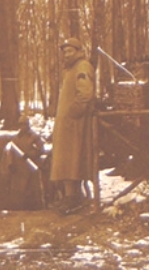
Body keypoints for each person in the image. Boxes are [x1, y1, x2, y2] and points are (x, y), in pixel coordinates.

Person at [50, 37, 95, 214]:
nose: (67, 54)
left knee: (73, 161)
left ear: (78, 51)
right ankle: (70, 197)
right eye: (65, 51)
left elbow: (85, 93)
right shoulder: (71, 69)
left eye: (70, 51)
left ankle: (74, 198)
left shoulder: (82, 67)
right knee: (66, 162)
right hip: (67, 125)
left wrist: (72, 113)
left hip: (75, 124)